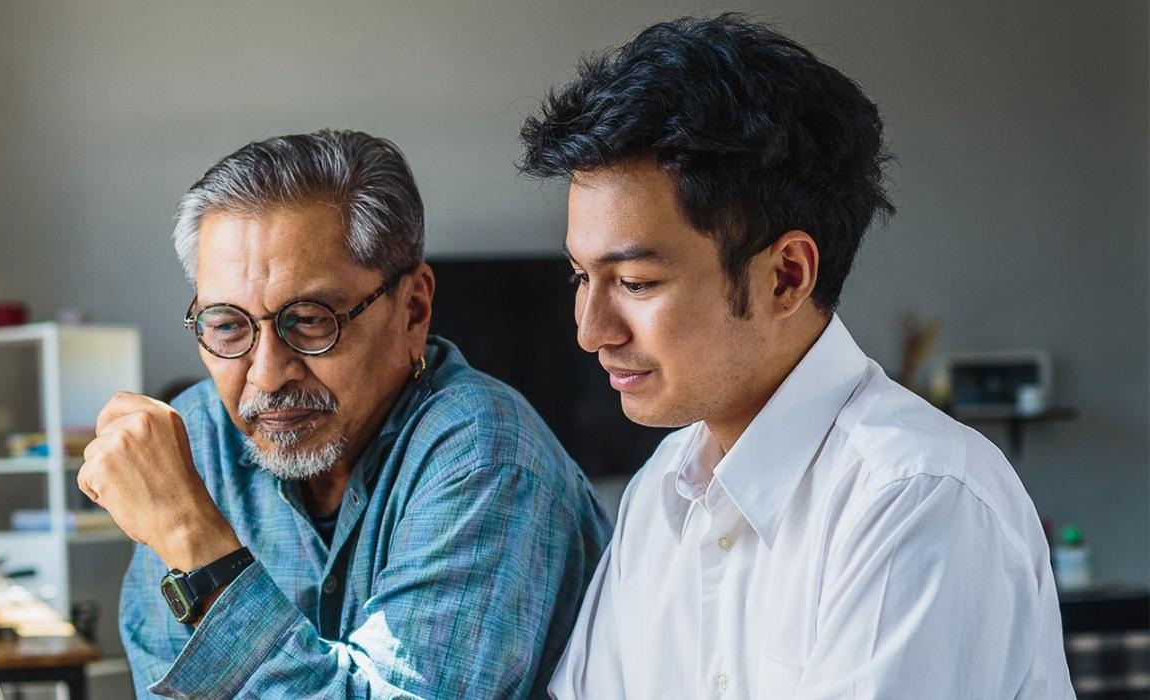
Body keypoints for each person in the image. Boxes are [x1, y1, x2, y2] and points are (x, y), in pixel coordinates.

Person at [520, 15, 1075, 698]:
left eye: (635, 283)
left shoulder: (916, 496)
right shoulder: (661, 490)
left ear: (785, 275)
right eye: (582, 277)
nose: (591, 330)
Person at [78, 129, 611, 698]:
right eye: (228, 325)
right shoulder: (195, 444)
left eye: (309, 320)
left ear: (413, 309)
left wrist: (195, 543)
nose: (265, 374)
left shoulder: (485, 455)